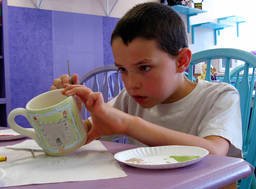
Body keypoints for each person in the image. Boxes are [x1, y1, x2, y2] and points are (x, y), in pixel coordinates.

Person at [51, 2, 242, 157]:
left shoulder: (220, 96)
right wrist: (65, 113)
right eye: (123, 70)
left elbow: (215, 152)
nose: (132, 84)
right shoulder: (129, 98)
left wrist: (130, 125)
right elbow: (69, 141)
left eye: (144, 67)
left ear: (182, 61)